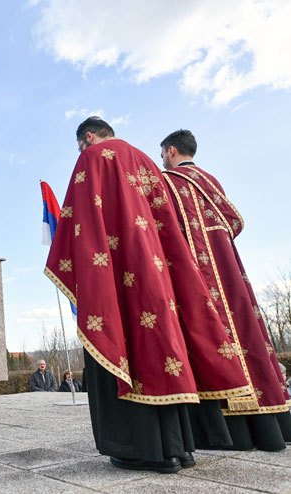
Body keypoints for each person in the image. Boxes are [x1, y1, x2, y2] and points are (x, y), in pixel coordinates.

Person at [46, 117, 254, 474]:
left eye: (81, 144)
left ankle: (140, 450)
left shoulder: (93, 157)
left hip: (113, 273)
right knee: (161, 349)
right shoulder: (145, 160)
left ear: (88, 137)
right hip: (157, 274)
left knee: (123, 343)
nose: (82, 150)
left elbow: (80, 221)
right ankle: (179, 448)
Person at [161, 129, 291, 451]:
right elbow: (235, 221)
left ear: (171, 151)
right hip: (230, 271)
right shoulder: (211, 181)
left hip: (198, 275)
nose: (162, 158)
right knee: (245, 329)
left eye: (162, 152)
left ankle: (225, 432)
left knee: (206, 332)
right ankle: (267, 427)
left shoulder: (169, 182)